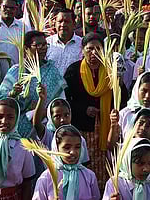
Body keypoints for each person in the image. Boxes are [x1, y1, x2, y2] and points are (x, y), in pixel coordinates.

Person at [64, 33, 114, 190]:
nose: (93, 53)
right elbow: (67, 100)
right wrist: (84, 109)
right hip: (83, 127)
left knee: (103, 168)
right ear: (82, 49)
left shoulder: (110, 70)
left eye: (98, 49)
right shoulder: (74, 70)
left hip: (105, 128)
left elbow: (120, 97)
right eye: (89, 49)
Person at [0, 30, 66, 138]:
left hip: (44, 129)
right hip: (16, 128)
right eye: (38, 45)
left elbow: (60, 100)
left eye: (44, 44)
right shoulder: (16, 71)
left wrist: (44, 110)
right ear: (26, 49)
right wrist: (12, 94)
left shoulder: (52, 71)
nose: (43, 48)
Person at [110, 72, 150, 158]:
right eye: (144, 91)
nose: (147, 96)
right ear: (137, 89)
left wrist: (148, 158)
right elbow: (111, 146)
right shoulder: (125, 113)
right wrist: (113, 125)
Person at [32, 125, 100, 200]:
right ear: (56, 148)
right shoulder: (46, 177)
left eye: (77, 147)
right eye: (67, 147)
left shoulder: (89, 176)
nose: (73, 152)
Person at [0, 0, 30, 65]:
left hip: (16, 71)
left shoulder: (22, 27)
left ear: (16, 9)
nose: (8, 10)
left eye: (12, 8)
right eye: (5, 7)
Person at [46, 8, 83, 76]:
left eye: (67, 21)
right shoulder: (47, 43)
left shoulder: (81, 44)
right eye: (60, 21)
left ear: (74, 24)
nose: (63, 24)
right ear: (55, 24)